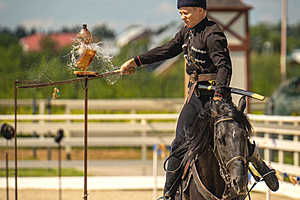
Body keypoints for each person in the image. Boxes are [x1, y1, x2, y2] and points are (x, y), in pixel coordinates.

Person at [120, 0, 278, 199]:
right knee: (178, 143)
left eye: (186, 12)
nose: (183, 16)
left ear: (200, 10)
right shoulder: (186, 32)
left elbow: (224, 67)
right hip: (195, 98)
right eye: (181, 13)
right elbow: (167, 50)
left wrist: (219, 96)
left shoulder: (213, 34)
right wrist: (136, 61)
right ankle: (168, 194)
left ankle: (260, 165)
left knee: (233, 137)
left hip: (216, 98)